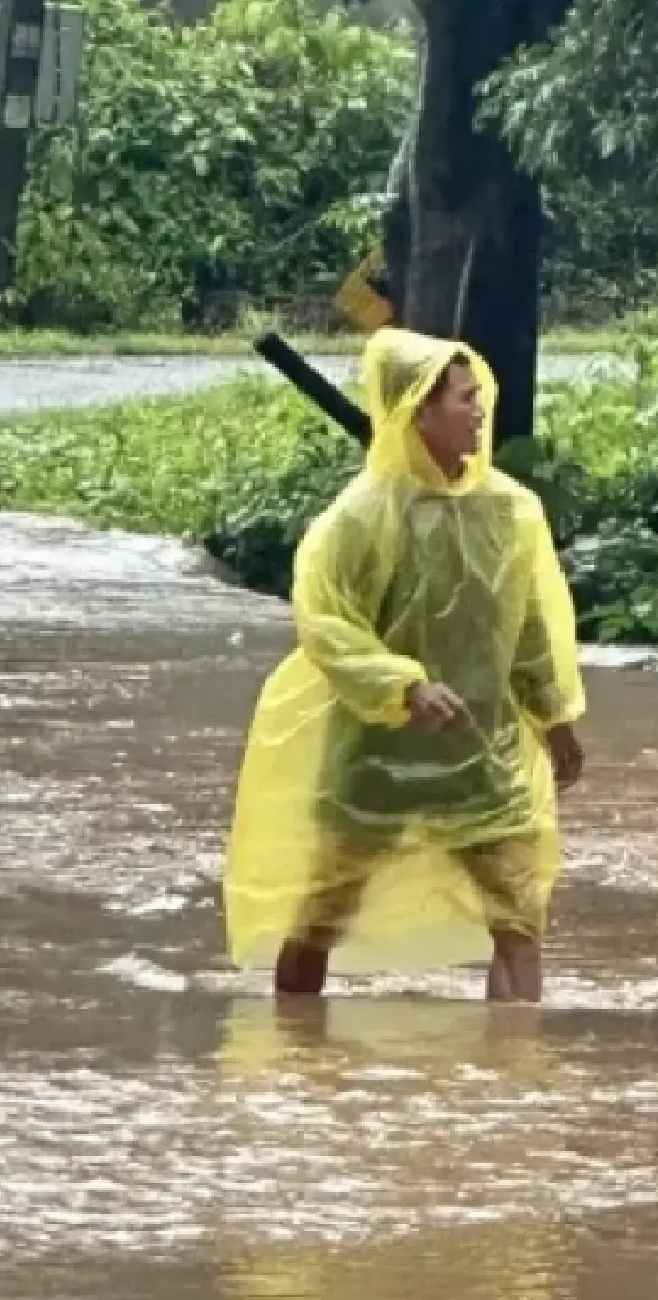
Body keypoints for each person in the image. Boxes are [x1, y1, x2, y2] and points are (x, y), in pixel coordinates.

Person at [223, 328, 586, 1005]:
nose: (480, 411)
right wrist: (403, 686)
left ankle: (519, 1074)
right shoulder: (360, 518)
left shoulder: (508, 511)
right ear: (418, 409)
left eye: (479, 396)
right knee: (320, 923)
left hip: (481, 752)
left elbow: (530, 625)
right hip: (376, 756)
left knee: (520, 917)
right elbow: (325, 621)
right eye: (463, 399)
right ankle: (297, 1061)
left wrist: (555, 716)